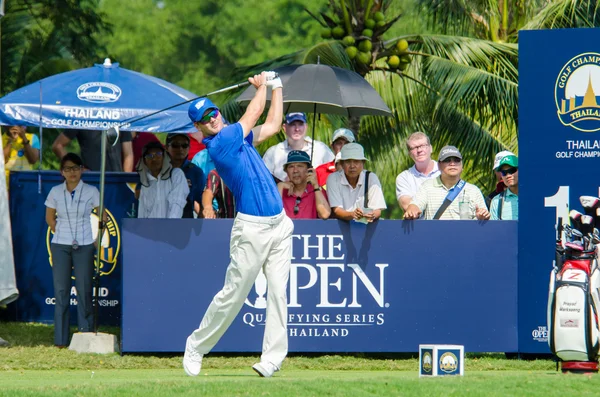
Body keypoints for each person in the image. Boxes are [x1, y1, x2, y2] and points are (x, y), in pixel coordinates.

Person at [183, 71, 292, 378]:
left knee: (279, 294)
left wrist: (278, 86)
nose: (213, 119)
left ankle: (271, 359)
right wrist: (261, 86)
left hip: (279, 224)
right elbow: (254, 111)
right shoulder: (219, 144)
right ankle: (196, 345)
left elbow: (271, 124)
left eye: (213, 112)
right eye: (205, 118)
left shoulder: (238, 136)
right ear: (200, 127)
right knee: (234, 294)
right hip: (252, 229)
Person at [44, 153, 102, 347]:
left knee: (85, 289)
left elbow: (102, 216)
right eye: (68, 169)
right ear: (62, 172)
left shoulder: (92, 190)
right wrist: (61, 233)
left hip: (84, 244)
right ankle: (61, 340)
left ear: (82, 169)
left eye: (76, 168)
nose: (72, 172)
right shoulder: (54, 191)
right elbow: (50, 218)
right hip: (60, 245)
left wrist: (94, 240)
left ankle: (85, 335)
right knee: (61, 291)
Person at [404, 146, 490, 220]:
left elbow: (484, 217)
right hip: (436, 238)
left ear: (462, 165)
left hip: (465, 238)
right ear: (438, 165)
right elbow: (415, 205)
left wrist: (482, 216)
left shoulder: (474, 190)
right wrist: (412, 210)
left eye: (456, 160)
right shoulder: (427, 187)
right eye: (447, 160)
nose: (452, 163)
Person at [262, 112, 334, 182]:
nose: (297, 129)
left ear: (306, 127)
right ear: (284, 128)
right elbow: (263, 179)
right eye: (292, 124)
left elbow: (335, 172)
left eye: (300, 124)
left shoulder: (321, 148)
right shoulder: (273, 152)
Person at [326, 143, 387, 222]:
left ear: (363, 163)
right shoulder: (333, 179)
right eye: (348, 162)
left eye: (356, 161)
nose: (352, 166)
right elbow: (337, 210)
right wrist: (352, 214)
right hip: (341, 228)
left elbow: (377, 210)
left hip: (367, 227)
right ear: (342, 164)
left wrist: (371, 215)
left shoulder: (371, 177)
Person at [136, 141, 189, 218]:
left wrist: (169, 226)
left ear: (164, 157)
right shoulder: (144, 183)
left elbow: (177, 203)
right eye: (149, 156)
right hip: (150, 229)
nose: (154, 159)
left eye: (158, 154)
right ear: (144, 161)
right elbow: (142, 214)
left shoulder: (176, 174)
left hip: (172, 228)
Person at [278, 150, 331, 219]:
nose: (295, 170)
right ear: (287, 171)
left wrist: (315, 185)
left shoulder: (316, 190)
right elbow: (271, 216)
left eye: (300, 166)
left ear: (308, 170)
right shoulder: (282, 190)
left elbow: (325, 214)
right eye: (291, 167)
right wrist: (280, 186)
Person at [395, 132, 440, 211]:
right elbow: (408, 207)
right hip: (418, 223)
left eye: (423, 146)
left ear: (431, 148)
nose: (419, 150)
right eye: (414, 148)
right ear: (409, 153)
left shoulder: (445, 171)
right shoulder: (404, 177)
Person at [52, 129, 134, 172]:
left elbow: (128, 154)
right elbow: (57, 146)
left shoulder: (119, 118)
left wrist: (125, 181)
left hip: (115, 180)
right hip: (90, 179)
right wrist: (75, 168)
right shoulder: (83, 117)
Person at [166, 133, 205, 218]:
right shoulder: (159, 169)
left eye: (184, 145)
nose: (180, 149)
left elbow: (201, 201)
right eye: (175, 145)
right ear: (166, 147)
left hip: (186, 223)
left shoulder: (195, 172)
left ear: (189, 147)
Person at [490, 154, 518, 220]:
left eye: (512, 170)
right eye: (504, 172)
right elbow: (494, 229)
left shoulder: (534, 196)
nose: (508, 175)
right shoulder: (496, 201)